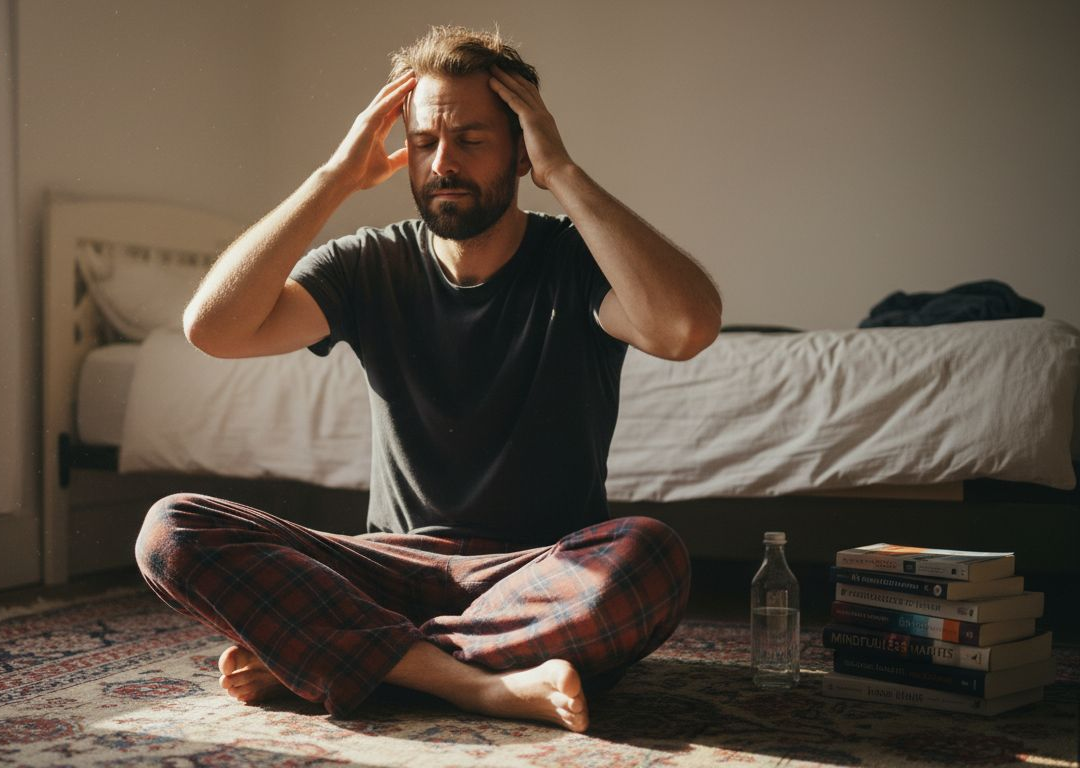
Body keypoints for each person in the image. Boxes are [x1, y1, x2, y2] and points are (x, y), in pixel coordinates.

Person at [135, 25, 721, 733]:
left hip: (534, 573)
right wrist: (332, 182)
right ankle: (474, 683)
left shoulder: (575, 259)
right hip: (387, 570)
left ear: (520, 146)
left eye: (472, 140)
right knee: (171, 528)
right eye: (424, 143)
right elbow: (215, 330)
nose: (443, 163)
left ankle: (337, 656)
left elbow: (685, 329)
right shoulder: (366, 264)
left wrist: (563, 172)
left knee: (650, 558)